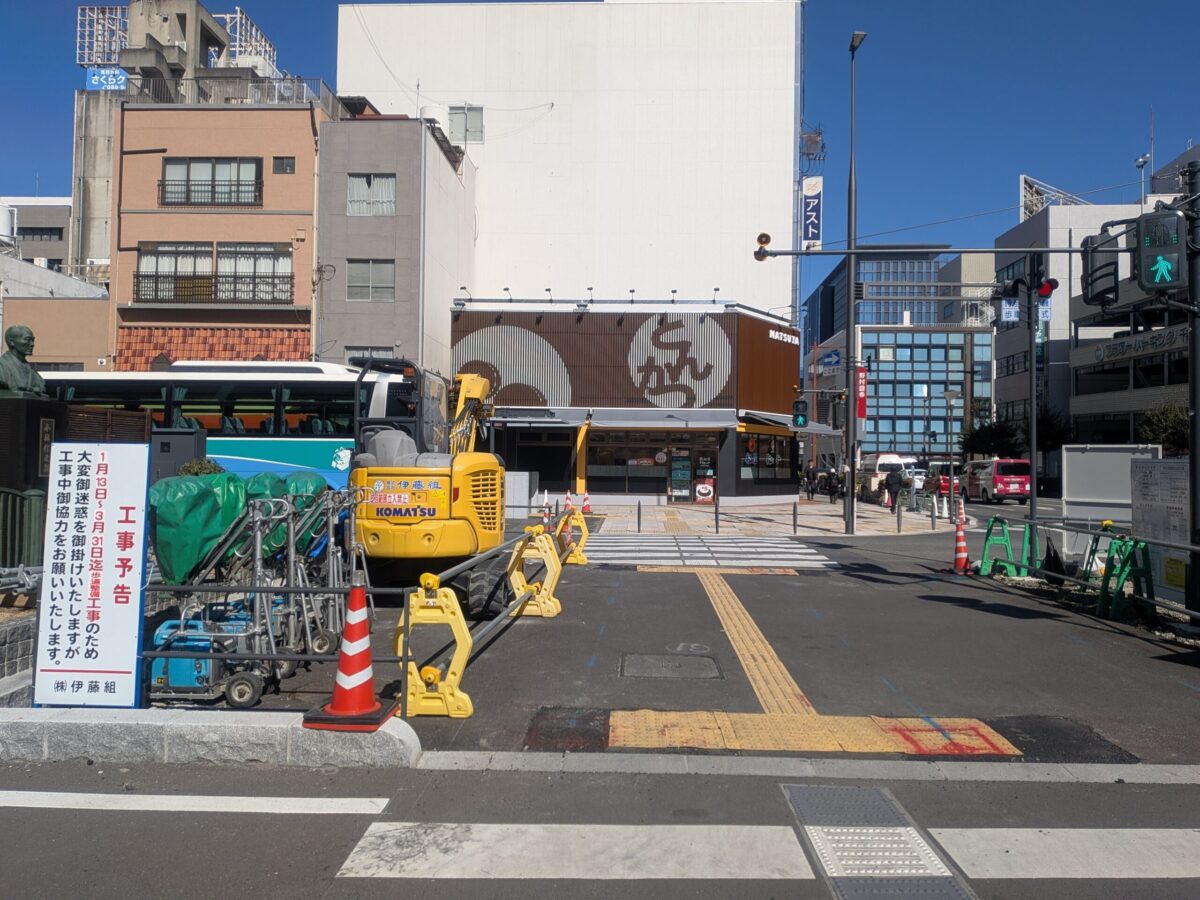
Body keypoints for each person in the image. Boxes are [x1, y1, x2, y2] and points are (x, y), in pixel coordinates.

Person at [0, 325, 48, 396]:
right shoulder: (2, 366)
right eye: (27, 339)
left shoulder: (34, 373)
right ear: (11, 342)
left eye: (33, 340)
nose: (32, 344)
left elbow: (41, 388)